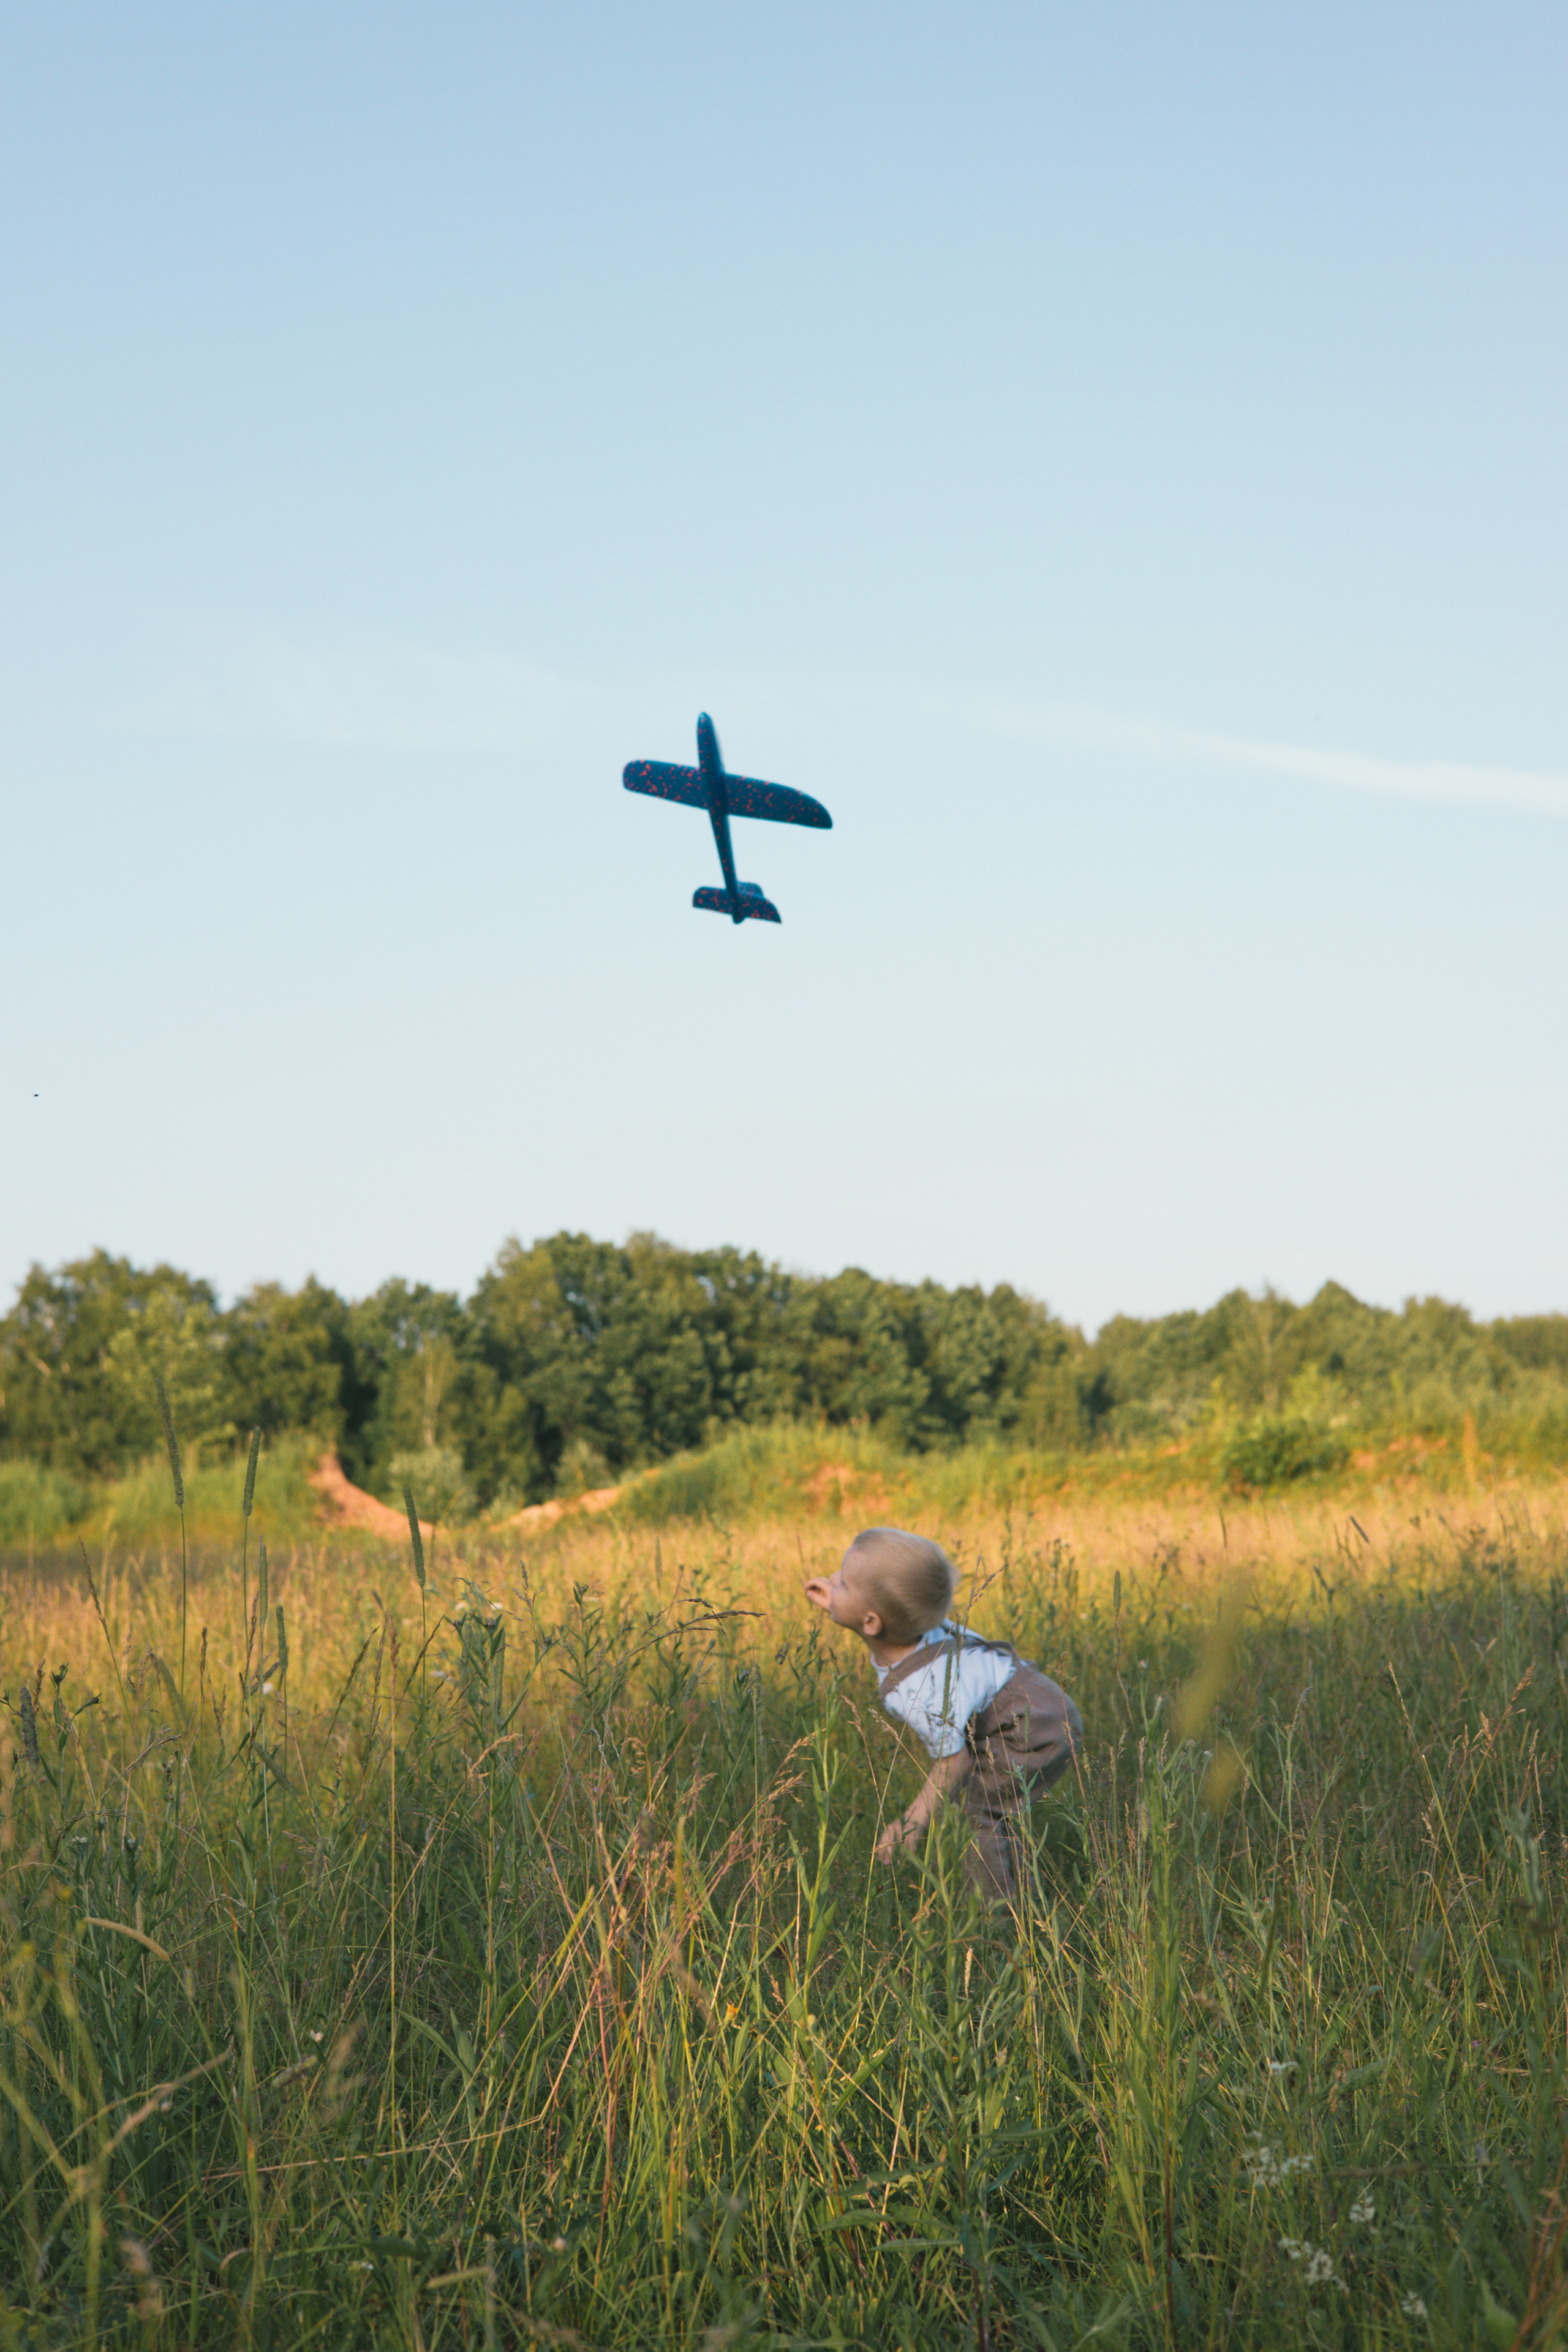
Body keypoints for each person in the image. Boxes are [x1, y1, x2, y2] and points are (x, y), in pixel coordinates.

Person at [804, 1525, 1084, 1900]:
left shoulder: (923, 1689)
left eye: (843, 1584)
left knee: (978, 1814)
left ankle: (1003, 1918)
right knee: (989, 1808)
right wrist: (839, 1603)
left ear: (871, 1621)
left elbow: (953, 1763)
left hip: (1032, 1728)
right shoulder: (919, 1629)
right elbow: (878, 1625)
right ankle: (1019, 1897)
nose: (832, 1580)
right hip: (1036, 1705)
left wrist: (911, 1822)